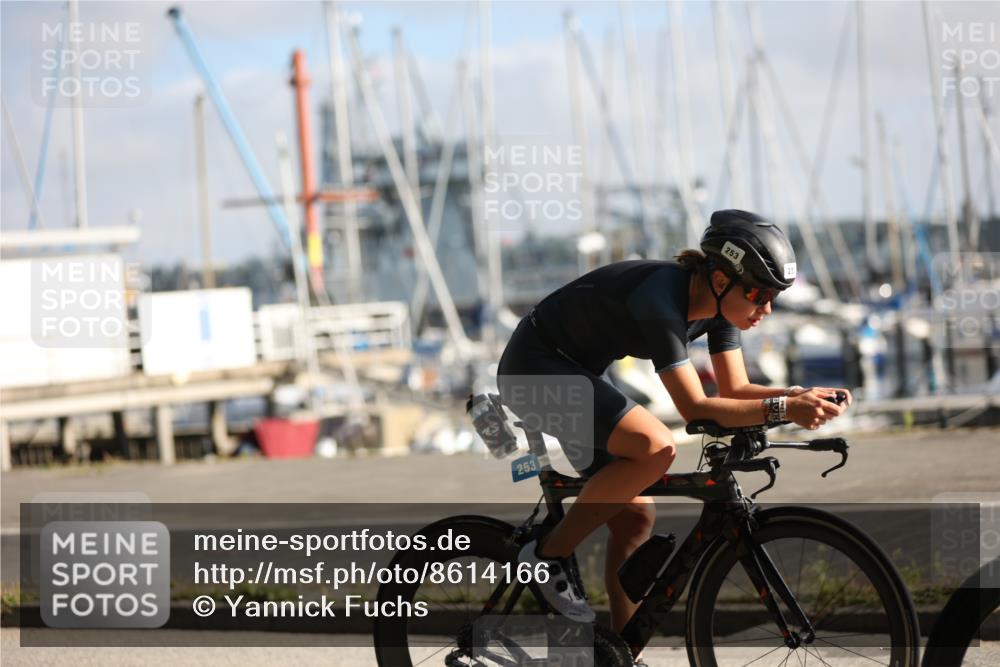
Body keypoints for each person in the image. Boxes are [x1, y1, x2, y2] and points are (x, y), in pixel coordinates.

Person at [496, 209, 853, 632]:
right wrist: (783, 411)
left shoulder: (722, 308)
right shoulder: (660, 300)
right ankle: (546, 556)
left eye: (774, 296)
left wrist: (794, 395)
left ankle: (620, 652)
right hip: (534, 370)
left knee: (634, 518)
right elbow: (696, 408)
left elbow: (735, 390)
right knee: (654, 447)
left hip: (579, 373)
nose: (768, 309)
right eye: (759, 294)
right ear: (721, 281)